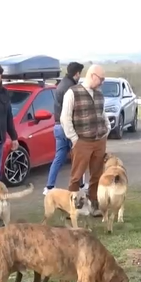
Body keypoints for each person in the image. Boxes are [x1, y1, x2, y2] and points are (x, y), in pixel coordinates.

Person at [60, 64, 110, 217]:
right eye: (101, 79)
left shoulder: (99, 94)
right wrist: (74, 138)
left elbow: (102, 113)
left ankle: (94, 206)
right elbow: (65, 118)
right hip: (82, 141)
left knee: (96, 174)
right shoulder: (72, 93)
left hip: (99, 140)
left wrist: (107, 128)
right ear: (92, 75)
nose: (102, 82)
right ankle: (72, 208)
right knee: (76, 175)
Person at [43, 62, 88, 195]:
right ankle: (79, 186)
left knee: (58, 158)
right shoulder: (72, 88)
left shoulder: (60, 85)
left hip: (57, 126)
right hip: (68, 127)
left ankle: (49, 187)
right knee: (78, 157)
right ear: (77, 73)